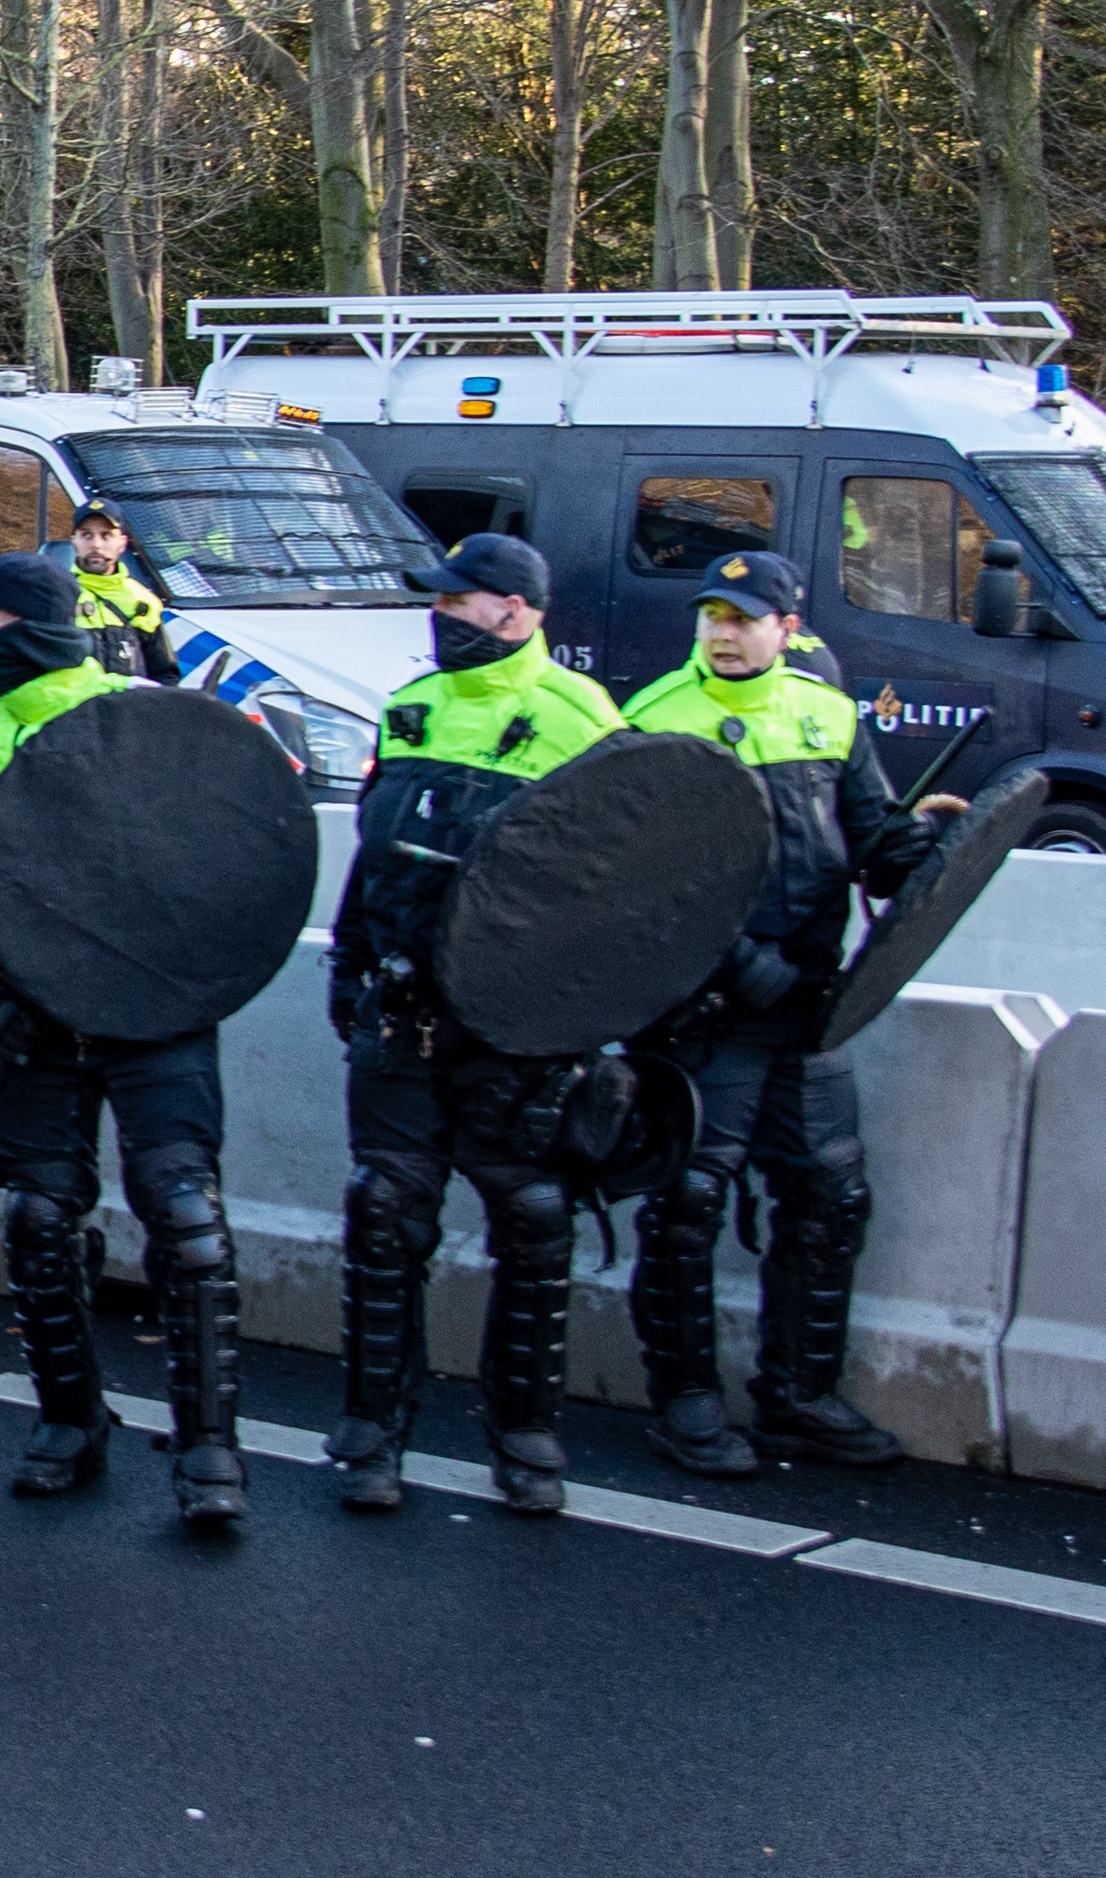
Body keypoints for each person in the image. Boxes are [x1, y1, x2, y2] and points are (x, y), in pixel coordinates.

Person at [0, 550, 257, 1530]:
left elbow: (221, 853)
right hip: (33, 1021)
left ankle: (207, 1449)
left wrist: (192, 980)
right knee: (37, 1216)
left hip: (156, 1017)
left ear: (22, 627)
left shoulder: (144, 716)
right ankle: (69, 1421)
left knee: (186, 1223)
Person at [324, 533, 633, 1516]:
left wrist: (581, 1018)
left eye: (463, 600)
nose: (442, 613)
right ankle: (374, 1430)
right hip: (403, 1013)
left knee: (534, 1223)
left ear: (521, 609)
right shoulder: (409, 708)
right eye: (439, 599)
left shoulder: (583, 719)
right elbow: (374, 850)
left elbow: (616, 888)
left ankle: (525, 1433)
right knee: (383, 1212)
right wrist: (348, 958)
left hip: (517, 1027)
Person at [615, 553, 938, 1480]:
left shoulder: (829, 717)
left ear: (786, 628)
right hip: (703, 1016)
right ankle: (686, 1403)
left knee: (831, 1198)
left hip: (809, 1012)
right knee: (688, 1207)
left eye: (743, 616)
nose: (722, 630)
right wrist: (737, 964)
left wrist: (926, 854)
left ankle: (798, 1395)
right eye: (712, 613)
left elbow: (873, 844)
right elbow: (634, 883)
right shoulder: (652, 720)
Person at [53, 495, 174, 678]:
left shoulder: (144, 602)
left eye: (106, 536)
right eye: (87, 535)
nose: (96, 545)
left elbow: (165, 676)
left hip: (129, 706)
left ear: (122, 543)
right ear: (74, 541)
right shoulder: (54, 596)